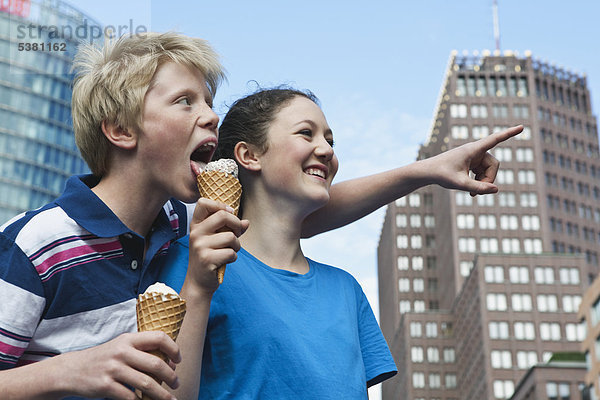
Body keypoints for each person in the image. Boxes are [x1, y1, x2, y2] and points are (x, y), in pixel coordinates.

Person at [159, 87, 522, 398]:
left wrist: (429, 170)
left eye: (330, 140)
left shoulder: (346, 289)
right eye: (307, 133)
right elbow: (164, 391)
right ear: (249, 155)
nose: (326, 150)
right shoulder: (194, 265)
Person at [0, 32, 248, 400]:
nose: (212, 116)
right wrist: (67, 369)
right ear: (121, 129)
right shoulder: (34, 243)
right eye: (185, 101)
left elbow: (290, 217)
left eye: (210, 103)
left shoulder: (179, 224)